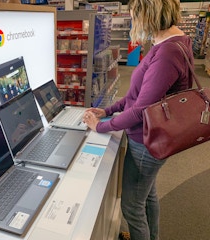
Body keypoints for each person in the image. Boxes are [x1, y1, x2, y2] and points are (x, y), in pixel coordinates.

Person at [83, 0, 193, 239]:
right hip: (153, 137)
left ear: (149, 16)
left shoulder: (167, 52)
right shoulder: (169, 42)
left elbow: (140, 109)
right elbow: (138, 94)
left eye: (135, 17)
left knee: (132, 207)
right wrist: (108, 109)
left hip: (146, 141)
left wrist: (100, 126)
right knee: (147, 195)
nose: (134, 24)